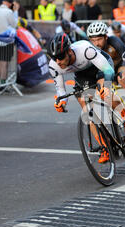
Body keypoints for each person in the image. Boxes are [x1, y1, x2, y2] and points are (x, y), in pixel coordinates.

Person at [47, 32, 116, 163]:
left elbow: (108, 71)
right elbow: (61, 90)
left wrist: (106, 86)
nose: (58, 61)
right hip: (82, 75)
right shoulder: (54, 66)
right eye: (54, 57)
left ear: (69, 51)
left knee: (105, 94)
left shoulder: (85, 50)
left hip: (100, 66)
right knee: (87, 113)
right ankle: (105, 147)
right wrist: (62, 102)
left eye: (60, 57)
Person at [87, 21, 125, 141]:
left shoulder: (114, 41)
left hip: (119, 65)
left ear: (106, 36)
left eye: (99, 39)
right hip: (105, 72)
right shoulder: (89, 49)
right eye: (93, 40)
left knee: (121, 80)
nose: (96, 43)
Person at [0, 0, 18, 90]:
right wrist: (15, 11)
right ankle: (2, 84)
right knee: (5, 63)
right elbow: (14, 24)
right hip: (7, 41)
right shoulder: (9, 12)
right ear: (10, 4)